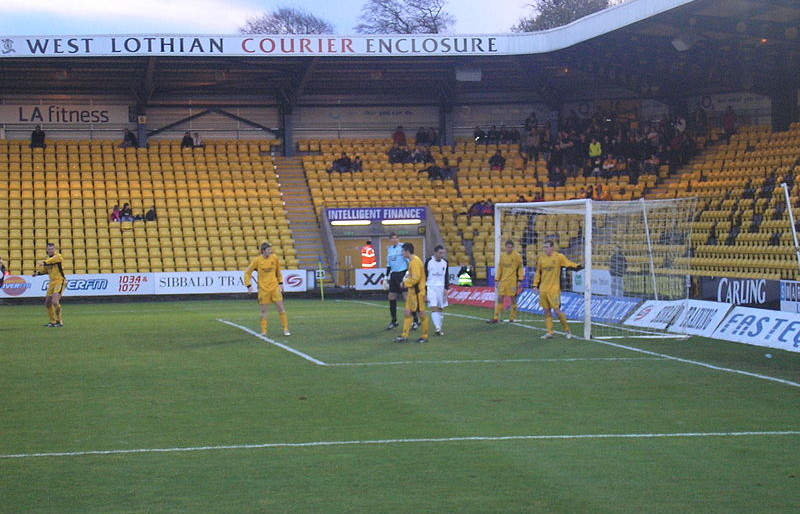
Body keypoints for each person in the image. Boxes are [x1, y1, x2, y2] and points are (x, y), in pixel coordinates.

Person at [532, 240, 582, 339]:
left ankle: (567, 330)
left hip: (554, 289)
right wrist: (535, 285)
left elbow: (568, 264)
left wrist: (577, 266)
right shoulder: (541, 259)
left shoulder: (559, 257)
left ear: (552, 247)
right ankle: (550, 332)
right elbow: (538, 273)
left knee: (556, 311)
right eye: (544, 247)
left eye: (547, 247)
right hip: (543, 289)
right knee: (546, 311)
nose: (545, 249)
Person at [243, 242, 290, 336]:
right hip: (263, 289)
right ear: (263, 251)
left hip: (274, 287)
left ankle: (285, 329)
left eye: (271, 249)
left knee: (280, 308)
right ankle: (264, 331)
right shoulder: (257, 260)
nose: (270, 251)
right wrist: (248, 285)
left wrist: (280, 283)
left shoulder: (275, 258)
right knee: (263, 310)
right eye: (268, 250)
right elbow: (247, 272)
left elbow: (278, 271)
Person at [393, 242, 429, 344]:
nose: (402, 253)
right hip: (412, 292)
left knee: (421, 313)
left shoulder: (415, 262)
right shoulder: (412, 261)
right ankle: (404, 335)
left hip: (417, 292)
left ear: (407, 251)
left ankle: (424, 335)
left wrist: (405, 283)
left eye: (403, 251)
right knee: (407, 312)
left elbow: (416, 278)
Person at [385, 232, 419, 330]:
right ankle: (394, 320)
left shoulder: (403, 248)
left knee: (406, 297)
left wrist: (407, 275)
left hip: (402, 273)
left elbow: (409, 262)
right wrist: (386, 277)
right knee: (391, 297)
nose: (394, 240)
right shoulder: (390, 249)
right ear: (390, 240)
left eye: (396, 238)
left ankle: (416, 320)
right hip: (394, 274)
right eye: (392, 239)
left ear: (398, 239)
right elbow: (389, 265)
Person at [487, 240, 524, 324]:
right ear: (505, 247)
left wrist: (520, 280)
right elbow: (500, 268)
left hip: (512, 281)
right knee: (500, 298)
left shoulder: (517, 256)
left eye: (511, 247)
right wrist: (497, 279)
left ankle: (512, 317)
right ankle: (496, 317)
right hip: (503, 281)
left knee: (513, 299)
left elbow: (520, 268)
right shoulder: (503, 256)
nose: (509, 249)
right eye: (508, 247)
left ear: (513, 247)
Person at [34, 242, 66, 327]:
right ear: (47, 250)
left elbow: (51, 261)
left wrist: (44, 262)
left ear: (54, 250)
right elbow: (45, 270)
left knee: (55, 301)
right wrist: (38, 273)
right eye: (49, 249)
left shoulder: (58, 257)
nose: (50, 250)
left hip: (60, 281)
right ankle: (52, 322)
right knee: (48, 302)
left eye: (52, 249)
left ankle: (59, 321)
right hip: (52, 282)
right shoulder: (47, 259)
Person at [425, 245, 450, 336]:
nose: (441, 255)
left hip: (441, 288)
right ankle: (437, 327)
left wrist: (446, 288)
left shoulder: (445, 262)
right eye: (440, 253)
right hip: (431, 287)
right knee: (433, 306)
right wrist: (424, 290)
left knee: (440, 308)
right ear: (435, 253)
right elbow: (425, 275)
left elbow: (446, 276)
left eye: (443, 253)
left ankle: (439, 326)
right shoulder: (428, 261)